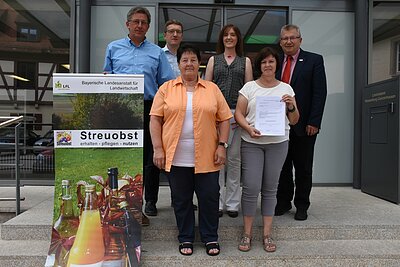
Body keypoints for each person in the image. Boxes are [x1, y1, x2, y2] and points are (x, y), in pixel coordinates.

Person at [150, 44, 232, 256]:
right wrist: (158, 148)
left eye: (193, 60)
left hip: (207, 156)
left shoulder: (212, 89)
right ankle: (185, 237)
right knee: (181, 199)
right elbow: (155, 120)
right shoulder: (166, 88)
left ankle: (210, 237)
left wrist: (222, 145)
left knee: (209, 198)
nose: (189, 64)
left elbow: (224, 119)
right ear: (179, 64)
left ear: (199, 64)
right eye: (184, 60)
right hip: (176, 157)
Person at [103, 6, 175, 218]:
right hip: (121, 110)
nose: (139, 25)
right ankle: (120, 198)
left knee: (151, 158)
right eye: (135, 21)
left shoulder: (156, 53)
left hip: (148, 108)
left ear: (148, 26)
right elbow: (106, 77)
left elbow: (166, 84)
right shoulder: (113, 48)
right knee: (122, 155)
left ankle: (150, 201)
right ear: (128, 24)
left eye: (143, 22)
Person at [234, 47, 299, 252]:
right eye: (264, 62)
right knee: (252, 186)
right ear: (259, 66)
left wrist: (291, 106)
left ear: (276, 64)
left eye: (271, 61)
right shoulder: (249, 88)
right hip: (252, 142)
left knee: (271, 188)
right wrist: (248, 128)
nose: (268, 65)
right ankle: (247, 234)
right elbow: (238, 114)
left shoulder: (286, 89)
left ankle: (267, 234)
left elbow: (295, 120)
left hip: (278, 143)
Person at [274, 24, 327, 221]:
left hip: (305, 125)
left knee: (303, 168)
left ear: (300, 40)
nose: (288, 41)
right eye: (285, 38)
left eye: (292, 38)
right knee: (282, 166)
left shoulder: (314, 60)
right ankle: (283, 202)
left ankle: (302, 205)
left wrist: (314, 121)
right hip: (278, 126)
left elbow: (320, 93)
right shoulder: (274, 61)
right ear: (280, 42)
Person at [204, 24, 253, 218]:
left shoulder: (246, 61)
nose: (229, 38)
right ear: (221, 39)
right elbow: (206, 87)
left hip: (237, 113)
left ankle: (232, 204)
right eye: (226, 35)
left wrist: (243, 117)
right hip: (215, 115)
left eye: (233, 34)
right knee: (217, 160)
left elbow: (249, 90)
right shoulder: (212, 60)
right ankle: (216, 202)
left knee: (234, 160)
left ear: (238, 38)